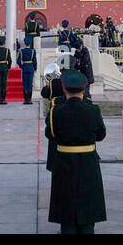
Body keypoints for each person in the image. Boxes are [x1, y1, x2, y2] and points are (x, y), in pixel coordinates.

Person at [43, 69, 106, 233]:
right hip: (88, 161)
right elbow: (101, 135)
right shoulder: (93, 110)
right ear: (84, 89)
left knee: (67, 208)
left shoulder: (56, 111)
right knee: (88, 204)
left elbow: (51, 134)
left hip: (64, 161)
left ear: (64, 89)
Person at [16, 39, 36, 105]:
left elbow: (18, 61)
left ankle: (25, 100)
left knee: (25, 84)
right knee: (30, 84)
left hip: (25, 67)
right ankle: (29, 99)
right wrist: (34, 68)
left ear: (24, 44)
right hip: (31, 68)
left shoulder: (22, 51)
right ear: (30, 44)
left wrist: (22, 66)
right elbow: (35, 61)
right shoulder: (33, 51)